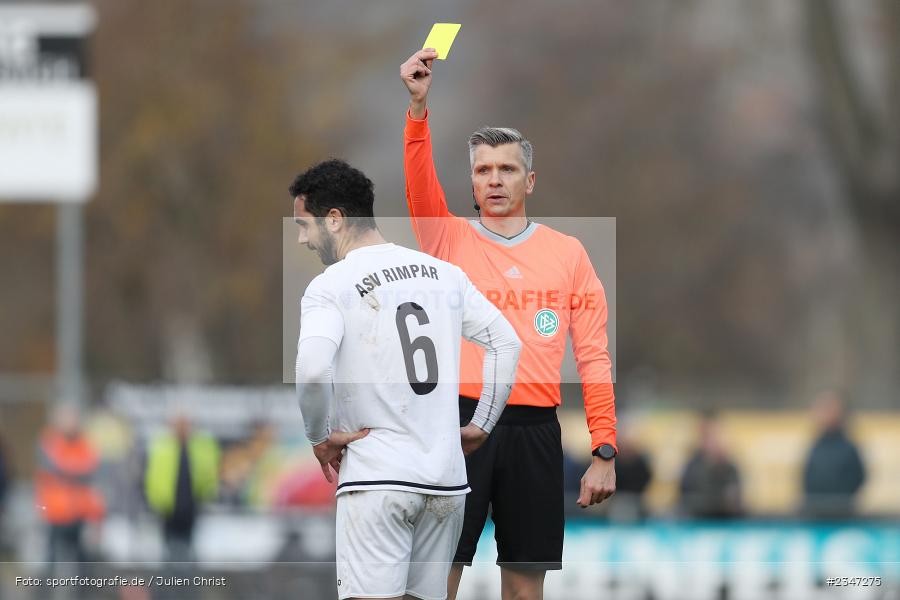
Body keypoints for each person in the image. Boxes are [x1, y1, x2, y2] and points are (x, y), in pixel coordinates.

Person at [400, 49, 617, 599]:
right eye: (482, 170)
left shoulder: (568, 255)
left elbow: (593, 355)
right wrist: (418, 109)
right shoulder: (446, 240)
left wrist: (604, 449)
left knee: (524, 591)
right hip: (457, 426)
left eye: (507, 168)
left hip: (536, 432)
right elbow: (419, 186)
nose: (494, 180)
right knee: (435, 584)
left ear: (530, 179)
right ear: (471, 182)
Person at [291, 159, 521, 600]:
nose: (302, 238)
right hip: (446, 482)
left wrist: (319, 436)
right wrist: (483, 423)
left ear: (335, 220)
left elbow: (313, 368)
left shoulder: (331, 284)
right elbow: (506, 343)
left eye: (305, 225)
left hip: (379, 479)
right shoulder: (444, 274)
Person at [34, 404, 105, 566]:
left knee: (83, 561)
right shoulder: (50, 441)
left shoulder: (85, 443)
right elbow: (56, 466)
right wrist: (75, 469)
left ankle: (83, 591)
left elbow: (91, 467)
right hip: (55, 512)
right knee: (51, 559)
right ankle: (45, 589)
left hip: (80, 512)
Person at [144, 414, 220, 564]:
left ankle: (187, 583)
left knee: (190, 551)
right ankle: (171, 583)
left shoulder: (200, 447)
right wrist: (155, 500)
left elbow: (208, 474)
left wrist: (207, 494)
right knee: (169, 550)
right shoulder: (162, 446)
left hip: (191, 507)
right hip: (168, 508)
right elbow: (152, 475)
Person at [802, 390, 866, 519]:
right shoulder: (816, 446)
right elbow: (807, 478)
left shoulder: (848, 447)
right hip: (816, 514)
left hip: (843, 516)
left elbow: (858, 477)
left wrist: (841, 501)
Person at [678, 411, 742, 519]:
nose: (713, 441)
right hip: (698, 521)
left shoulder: (729, 467)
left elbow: (734, 499)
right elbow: (686, 496)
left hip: (724, 521)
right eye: (708, 436)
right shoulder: (692, 465)